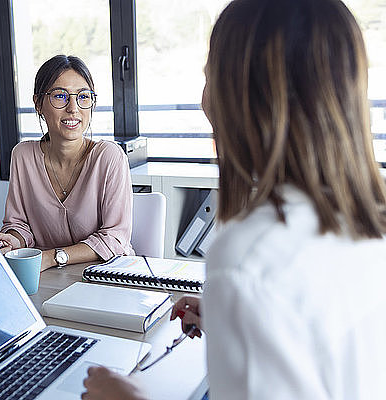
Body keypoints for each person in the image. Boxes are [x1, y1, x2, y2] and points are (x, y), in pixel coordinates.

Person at [82, 0, 386, 398]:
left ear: (245, 97)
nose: (202, 100)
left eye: (210, 77)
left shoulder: (251, 254)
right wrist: (239, 318)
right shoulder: (367, 221)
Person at [0, 55, 134, 271]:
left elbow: (114, 238)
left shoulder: (109, 157)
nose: (73, 108)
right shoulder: (22, 155)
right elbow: (19, 225)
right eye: (60, 96)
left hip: (103, 276)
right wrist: (12, 240)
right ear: (38, 104)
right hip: (45, 277)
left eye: (83, 97)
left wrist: (52, 257)